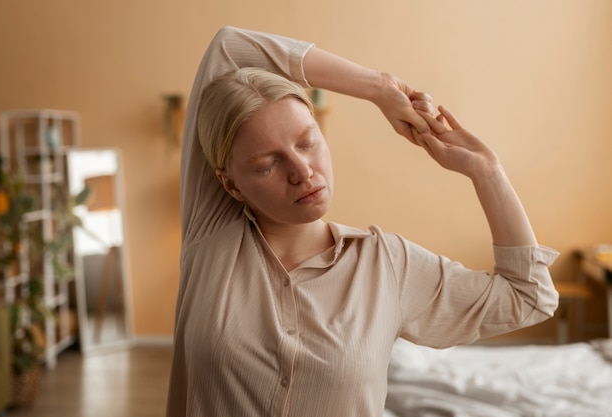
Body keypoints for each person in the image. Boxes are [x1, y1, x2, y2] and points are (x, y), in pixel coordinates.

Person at [167, 26, 559, 417]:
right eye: (267, 164)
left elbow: (528, 297)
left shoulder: (386, 264)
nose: (302, 171)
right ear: (230, 185)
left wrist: (487, 172)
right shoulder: (211, 235)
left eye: (307, 142)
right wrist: (378, 88)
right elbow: (229, 47)